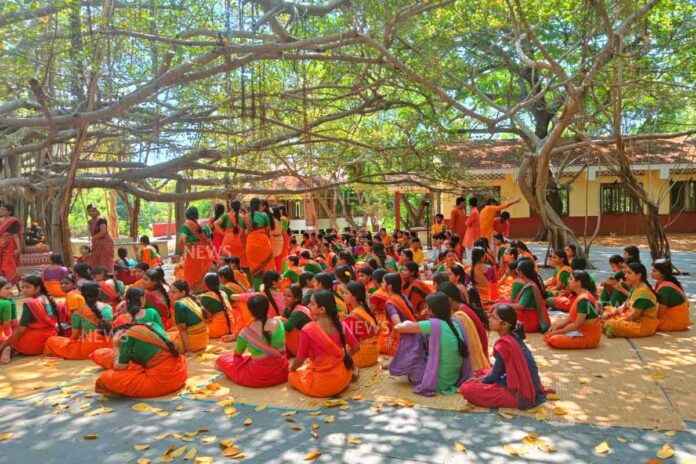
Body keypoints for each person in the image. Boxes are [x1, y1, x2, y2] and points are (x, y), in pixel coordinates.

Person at [92, 294, 187, 398]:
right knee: (111, 356)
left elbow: (119, 367)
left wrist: (116, 346)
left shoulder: (126, 337)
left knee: (105, 377)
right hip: (181, 371)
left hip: (162, 381)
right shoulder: (151, 324)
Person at [459, 304, 546, 409]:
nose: (489, 319)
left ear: (504, 325)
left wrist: (480, 381)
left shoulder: (504, 344)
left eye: (493, 317)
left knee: (466, 388)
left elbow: (495, 375)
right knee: (481, 372)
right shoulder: (514, 336)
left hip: (519, 395)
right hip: (531, 387)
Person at [390, 292, 472, 396]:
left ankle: (401, 365)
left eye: (426, 307)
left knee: (411, 336)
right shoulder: (456, 322)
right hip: (453, 378)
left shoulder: (432, 325)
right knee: (418, 333)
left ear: (432, 310)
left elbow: (399, 327)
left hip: (439, 382)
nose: (425, 309)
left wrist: (399, 329)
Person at [288, 290, 359, 397]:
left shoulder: (308, 330)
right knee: (309, 367)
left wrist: (292, 369)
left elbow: (299, 360)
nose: (308, 305)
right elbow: (356, 347)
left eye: (312, 304)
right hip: (343, 378)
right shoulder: (341, 324)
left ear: (321, 309)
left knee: (292, 376)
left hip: (322, 385)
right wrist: (343, 356)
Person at [216, 294, 288, 387]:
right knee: (248, 359)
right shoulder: (279, 323)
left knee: (222, 360)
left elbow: (237, 355)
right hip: (281, 372)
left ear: (250, 311)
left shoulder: (245, 332)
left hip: (257, 376)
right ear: (268, 308)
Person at [44, 281, 113, 359]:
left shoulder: (77, 313)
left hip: (88, 347)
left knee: (51, 340)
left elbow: (75, 336)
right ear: (99, 293)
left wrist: (69, 344)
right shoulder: (108, 307)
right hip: (108, 345)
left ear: (82, 294)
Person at [0, 276, 59, 362]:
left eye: (28, 287)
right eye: (23, 287)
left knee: (7, 339)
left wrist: (4, 345)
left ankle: (10, 349)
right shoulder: (46, 298)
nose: (24, 290)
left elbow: (21, 330)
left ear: (38, 288)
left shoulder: (31, 303)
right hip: (50, 337)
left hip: (35, 342)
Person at [437, 282, 490, 374]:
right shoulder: (459, 309)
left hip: (477, 355)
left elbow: (464, 342)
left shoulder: (462, 315)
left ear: (449, 298)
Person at [545, 271, 601, 349]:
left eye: (571, 279)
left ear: (578, 283)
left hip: (588, 337)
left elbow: (577, 325)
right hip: (580, 330)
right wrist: (558, 326)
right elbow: (571, 318)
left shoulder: (583, 300)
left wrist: (556, 332)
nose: (568, 281)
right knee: (554, 328)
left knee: (554, 339)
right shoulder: (582, 295)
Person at [602, 262, 658, 338]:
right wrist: (609, 315)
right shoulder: (634, 286)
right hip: (632, 318)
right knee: (608, 310)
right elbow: (625, 305)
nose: (625, 276)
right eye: (625, 273)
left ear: (638, 275)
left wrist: (616, 321)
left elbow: (633, 317)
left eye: (629, 273)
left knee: (611, 324)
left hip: (642, 326)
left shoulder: (643, 293)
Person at [501, 259, 550, 333]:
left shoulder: (529, 286)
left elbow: (521, 306)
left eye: (517, 270)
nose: (516, 271)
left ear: (521, 272)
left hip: (529, 321)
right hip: (530, 317)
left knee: (501, 311)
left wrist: (502, 305)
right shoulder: (529, 283)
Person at [379, 273, 417, 356]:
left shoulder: (390, 303)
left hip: (403, 337)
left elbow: (398, 324)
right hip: (413, 334)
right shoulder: (403, 296)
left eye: (383, 282)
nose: (381, 284)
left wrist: (391, 338)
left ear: (389, 286)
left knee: (378, 342)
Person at [343, 281, 379, 368]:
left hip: (362, 357)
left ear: (354, 297)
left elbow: (345, 339)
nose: (343, 295)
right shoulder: (364, 309)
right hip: (374, 354)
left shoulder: (353, 316)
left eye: (346, 293)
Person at [168, 280, 209, 354]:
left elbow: (183, 329)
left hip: (193, 344)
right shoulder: (190, 299)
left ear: (183, 293)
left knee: (165, 340)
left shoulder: (178, 304)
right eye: (169, 291)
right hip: (204, 341)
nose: (170, 294)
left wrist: (187, 350)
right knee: (170, 331)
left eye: (173, 292)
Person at [178, 206, 214, 292]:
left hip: (193, 254)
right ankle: (205, 292)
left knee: (192, 276)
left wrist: (185, 251)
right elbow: (210, 240)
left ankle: (195, 293)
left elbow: (182, 239)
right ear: (197, 214)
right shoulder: (205, 225)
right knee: (205, 274)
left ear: (187, 215)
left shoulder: (186, 225)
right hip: (206, 253)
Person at [243, 198, 275, 290]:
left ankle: (257, 290)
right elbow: (268, 231)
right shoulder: (264, 215)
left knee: (255, 269)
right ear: (260, 205)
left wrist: (245, 246)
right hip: (263, 242)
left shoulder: (245, 217)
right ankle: (269, 290)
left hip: (250, 244)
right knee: (268, 267)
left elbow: (242, 234)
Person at [652, 259, 691, 331]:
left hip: (675, 322)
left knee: (644, 321)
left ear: (663, 273)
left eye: (654, 271)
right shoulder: (667, 282)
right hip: (681, 320)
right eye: (652, 270)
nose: (651, 273)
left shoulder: (665, 288)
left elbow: (660, 313)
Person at [199, 273, 234, 339]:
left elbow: (202, 315)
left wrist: (199, 302)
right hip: (231, 327)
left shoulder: (206, 297)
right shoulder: (223, 293)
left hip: (217, 330)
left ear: (206, 284)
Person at [282, 284, 312, 356]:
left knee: (280, 321)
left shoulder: (298, 312)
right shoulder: (287, 308)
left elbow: (287, 327)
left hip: (309, 345)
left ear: (296, 299)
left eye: (288, 296)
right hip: (301, 340)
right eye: (284, 295)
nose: (284, 298)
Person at [216, 200, 248, 269]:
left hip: (228, 239)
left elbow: (216, 223)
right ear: (240, 207)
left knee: (227, 259)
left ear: (231, 207)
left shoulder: (226, 216)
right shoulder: (243, 217)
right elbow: (247, 230)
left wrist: (224, 233)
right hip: (239, 240)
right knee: (239, 260)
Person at [86, 204, 115, 274]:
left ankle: (108, 277)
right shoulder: (90, 221)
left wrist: (93, 237)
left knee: (106, 262)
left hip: (105, 243)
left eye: (93, 211)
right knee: (94, 261)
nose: (91, 213)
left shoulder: (101, 219)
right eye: (89, 211)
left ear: (97, 211)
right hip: (96, 244)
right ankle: (97, 277)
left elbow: (103, 232)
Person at [470, 247, 497, 312]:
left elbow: (466, 286)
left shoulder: (469, 271)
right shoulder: (490, 268)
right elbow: (495, 283)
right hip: (488, 300)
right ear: (482, 257)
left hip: (476, 302)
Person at [0, 204, 22, 285]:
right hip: (0, 245)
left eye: (3, 209)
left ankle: (10, 283)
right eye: (1, 209)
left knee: (8, 264)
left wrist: (19, 248)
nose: (1, 211)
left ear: (9, 212)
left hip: (10, 246)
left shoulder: (13, 221)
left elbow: (16, 236)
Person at [0, 277, 17, 346]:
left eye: (11, 288)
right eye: (7, 289)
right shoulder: (7, 303)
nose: (10, 291)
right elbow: (7, 326)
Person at [463, 197, 480, 262]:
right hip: (474, 233)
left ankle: (471, 265)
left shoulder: (473, 212)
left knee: (469, 252)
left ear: (469, 204)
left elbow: (467, 223)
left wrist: (468, 223)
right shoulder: (476, 211)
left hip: (471, 234)